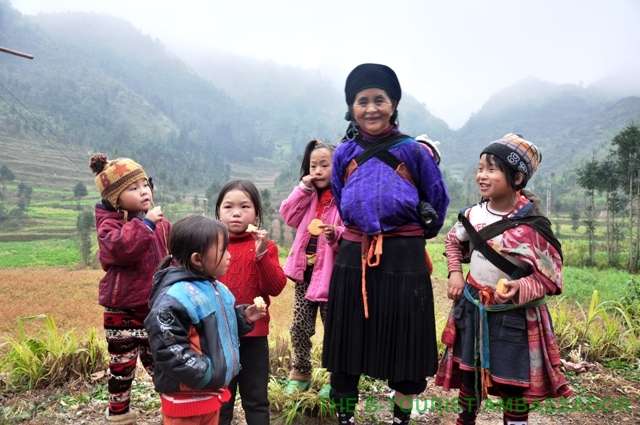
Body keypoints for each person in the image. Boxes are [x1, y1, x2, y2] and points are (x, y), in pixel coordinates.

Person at [322, 63, 450, 425]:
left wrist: (412, 234)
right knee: (346, 347)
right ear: (352, 108)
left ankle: (401, 419)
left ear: (393, 104)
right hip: (353, 254)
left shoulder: (413, 151)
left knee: (406, 347)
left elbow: (437, 199)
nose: (371, 108)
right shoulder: (345, 153)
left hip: (403, 256)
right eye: (362, 101)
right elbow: (339, 195)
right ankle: (345, 418)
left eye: (380, 99)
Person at [435, 133, 572, 425]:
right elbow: (451, 241)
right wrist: (456, 274)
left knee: (513, 380)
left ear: (518, 177)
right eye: (480, 168)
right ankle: (465, 419)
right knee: (469, 375)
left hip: (513, 317)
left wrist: (520, 286)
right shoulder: (472, 215)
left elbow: (552, 278)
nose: (481, 176)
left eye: (491, 169)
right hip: (472, 308)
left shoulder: (533, 226)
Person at [145, 215, 266, 425]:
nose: (229, 256)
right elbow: (168, 347)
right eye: (223, 251)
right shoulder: (176, 297)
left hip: (210, 393)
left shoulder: (218, 289)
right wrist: (207, 371)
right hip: (186, 399)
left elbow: (217, 327)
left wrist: (243, 317)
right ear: (197, 259)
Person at [89, 153, 171, 424]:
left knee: (161, 363)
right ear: (115, 198)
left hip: (153, 309)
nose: (143, 191)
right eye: (133, 188)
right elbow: (118, 249)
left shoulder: (159, 223)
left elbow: (173, 253)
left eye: (145, 185)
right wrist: (145, 224)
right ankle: (119, 414)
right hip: (121, 310)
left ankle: (173, 409)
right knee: (121, 367)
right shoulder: (110, 224)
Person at [215, 180, 287, 425]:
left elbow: (276, 288)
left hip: (254, 337)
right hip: (218, 336)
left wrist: (261, 255)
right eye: (228, 206)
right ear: (218, 212)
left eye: (245, 206)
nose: (236, 212)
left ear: (256, 213)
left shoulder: (266, 247)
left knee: (256, 399)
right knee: (221, 400)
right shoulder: (211, 246)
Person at [279, 139, 343, 396]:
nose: (317, 170)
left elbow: (352, 230)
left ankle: (334, 378)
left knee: (334, 329)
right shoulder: (309, 197)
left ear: (336, 167)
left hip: (331, 277)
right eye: (312, 165)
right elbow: (288, 215)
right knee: (300, 326)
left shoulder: (343, 198)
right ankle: (300, 372)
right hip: (305, 274)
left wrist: (335, 234)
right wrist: (302, 189)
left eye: (324, 165)